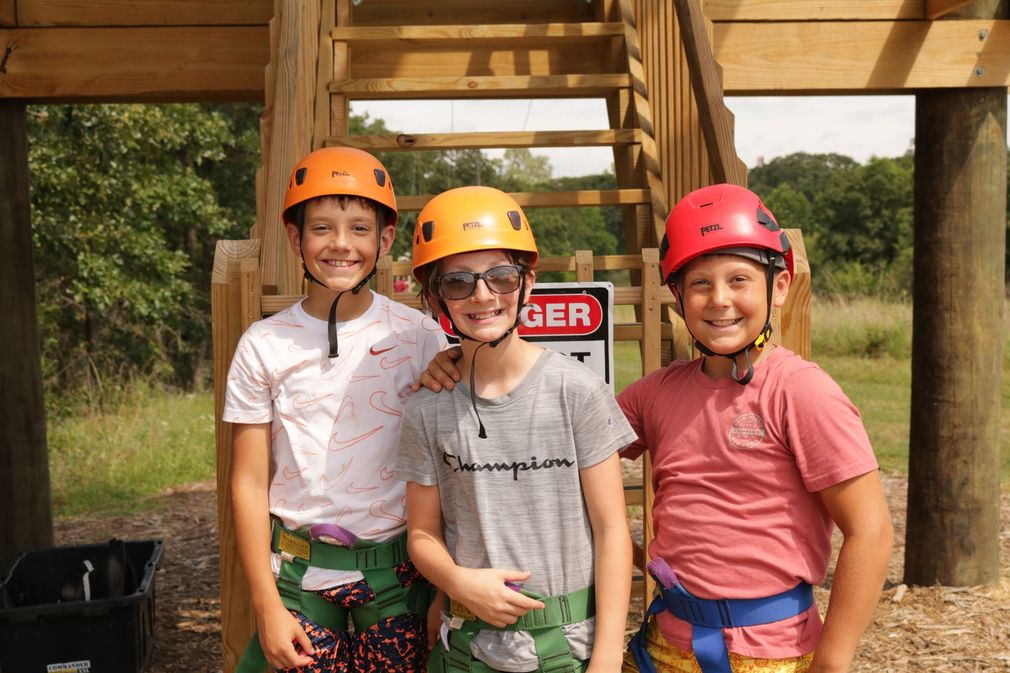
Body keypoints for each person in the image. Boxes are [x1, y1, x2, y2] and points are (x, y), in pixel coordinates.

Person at [417, 183, 894, 673]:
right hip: (666, 641)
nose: (719, 299)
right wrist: (463, 363)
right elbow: (552, 442)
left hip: (772, 651)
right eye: (700, 284)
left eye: (739, 280)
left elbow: (871, 531)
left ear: (780, 286)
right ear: (677, 295)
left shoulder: (801, 393)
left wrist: (833, 661)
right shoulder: (658, 393)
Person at [223, 147, 447, 673]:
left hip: (400, 571)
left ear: (385, 239)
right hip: (300, 573)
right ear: (296, 239)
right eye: (322, 228)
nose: (341, 244)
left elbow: (445, 465)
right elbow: (249, 483)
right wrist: (265, 606)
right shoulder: (264, 344)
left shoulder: (419, 337)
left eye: (359, 228)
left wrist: (444, 589)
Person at [395, 185, 636, 673]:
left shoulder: (578, 392)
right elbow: (422, 531)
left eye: (501, 277)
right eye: (459, 282)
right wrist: (458, 582)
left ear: (527, 282)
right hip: (466, 649)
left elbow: (612, 529)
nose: (482, 296)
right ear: (435, 295)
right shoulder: (427, 408)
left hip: (566, 650)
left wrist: (608, 656)